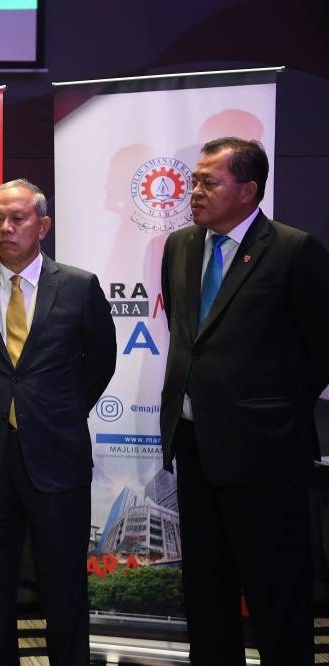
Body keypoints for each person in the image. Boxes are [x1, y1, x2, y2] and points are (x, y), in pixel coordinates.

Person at [159, 137, 329, 664]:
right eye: (195, 180)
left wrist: (265, 412)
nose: (195, 190)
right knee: (206, 595)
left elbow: (320, 351)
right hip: (193, 444)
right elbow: (190, 336)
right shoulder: (181, 245)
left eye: (209, 181)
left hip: (266, 457)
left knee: (276, 595)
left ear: (249, 190)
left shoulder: (294, 249)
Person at [0, 178, 116, 665]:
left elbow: (100, 362)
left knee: (63, 583)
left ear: (43, 225)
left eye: (17, 218)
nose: (5, 228)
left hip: (57, 454)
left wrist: (56, 411)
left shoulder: (79, 286)